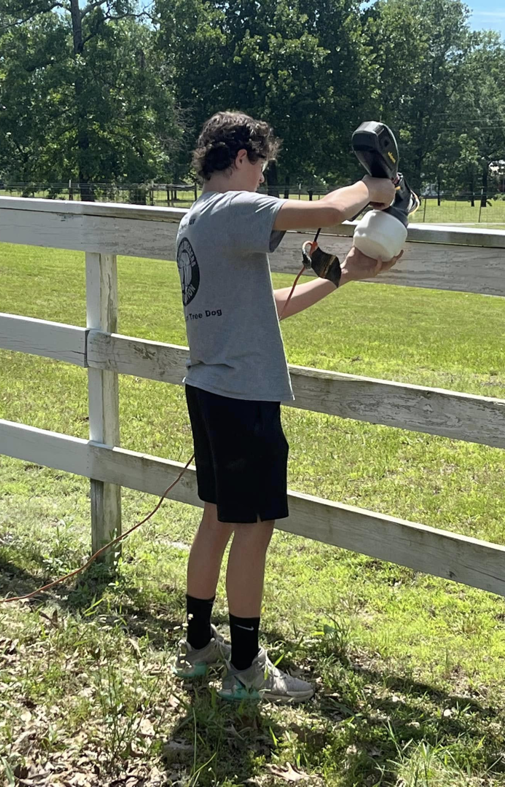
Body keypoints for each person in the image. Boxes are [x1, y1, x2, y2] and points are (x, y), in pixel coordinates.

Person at [173, 111, 399, 703]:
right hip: (243, 396)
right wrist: (376, 189)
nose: (263, 179)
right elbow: (328, 212)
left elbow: (267, 305)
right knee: (254, 528)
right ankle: (246, 670)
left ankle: (198, 650)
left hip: (209, 388)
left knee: (219, 518)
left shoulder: (193, 220)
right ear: (243, 155)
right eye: (263, 166)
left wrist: (342, 274)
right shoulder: (231, 208)